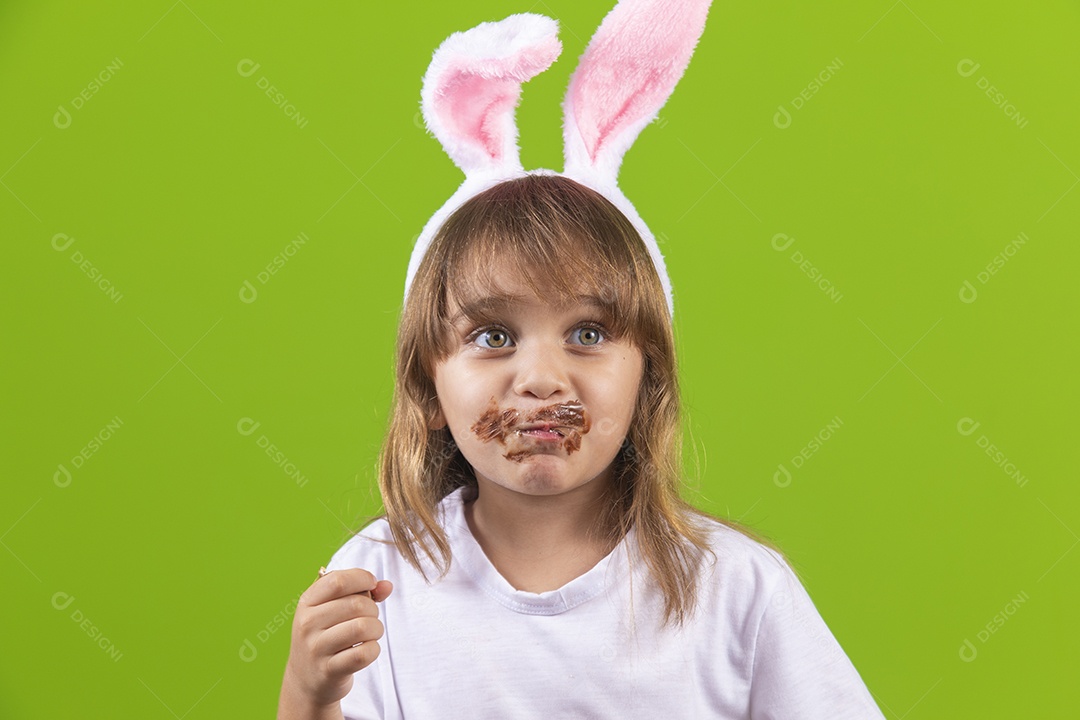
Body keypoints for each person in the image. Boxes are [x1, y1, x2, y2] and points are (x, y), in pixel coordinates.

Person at [279, 3, 886, 718]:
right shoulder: (383, 576)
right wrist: (308, 696)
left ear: (647, 377)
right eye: (493, 336)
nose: (540, 378)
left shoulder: (737, 588)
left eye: (589, 335)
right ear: (429, 390)